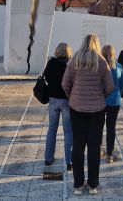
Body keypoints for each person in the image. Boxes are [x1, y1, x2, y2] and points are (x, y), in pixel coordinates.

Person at [62, 34, 114, 196]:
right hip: (97, 110)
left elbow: (65, 83)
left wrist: (72, 97)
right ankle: (92, 185)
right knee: (94, 147)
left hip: (76, 108)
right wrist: (101, 97)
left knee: (77, 145)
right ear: (97, 44)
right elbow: (110, 86)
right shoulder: (101, 61)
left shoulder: (75, 60)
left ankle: (78, 185)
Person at [43, 42, 73, 171]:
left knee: (52, 129)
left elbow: (47, 78)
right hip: (66, 100)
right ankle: (69, 161)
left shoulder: (51, 63)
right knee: (68, 131)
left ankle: (48, 158)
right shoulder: (70, 65)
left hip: (53, 99)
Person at [100, 44, 123, 163]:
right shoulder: (119, 66)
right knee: (111, 127)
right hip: (115, 101)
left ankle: (99, 150)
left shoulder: (99, 66)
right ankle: (110, 154)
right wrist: (118, 93)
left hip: (101, 100)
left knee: (99, 126)